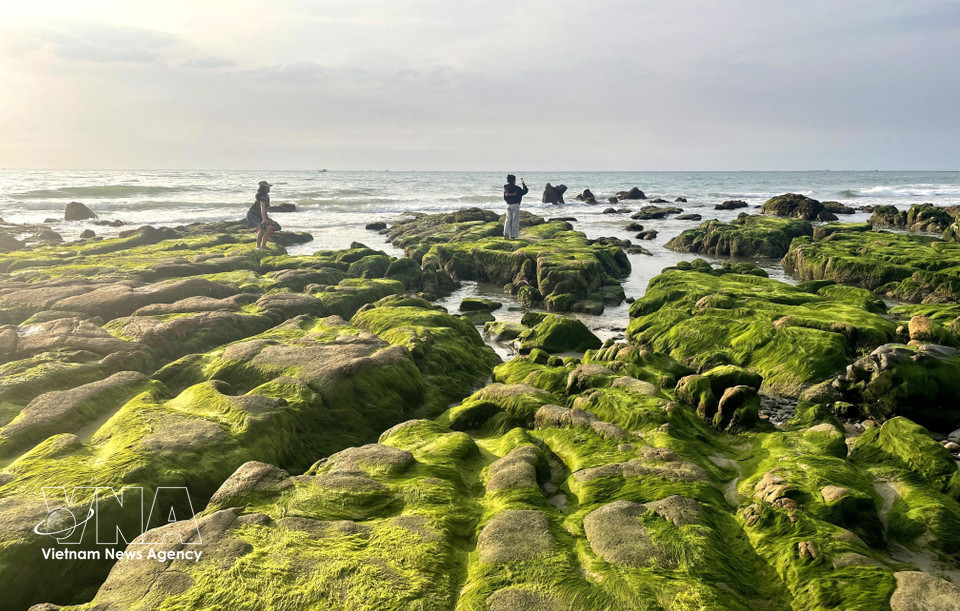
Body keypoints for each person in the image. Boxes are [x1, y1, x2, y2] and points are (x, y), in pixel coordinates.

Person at [246, 180, 277, 249]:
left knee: (268, 228)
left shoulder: (267, 196)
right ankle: (258, 246)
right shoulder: (260, 196)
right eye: (267, 188)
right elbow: (262, 208)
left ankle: (264, 245)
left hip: (260, 214)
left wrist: (267, 218)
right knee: (262, 228)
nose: (269, 189)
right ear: (263, 188)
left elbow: (265, 209)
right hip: (253, 214)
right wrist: (264, 219)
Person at [502, 174, 527, 239]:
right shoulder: (517, 188)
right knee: (515, 221)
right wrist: (523, 184)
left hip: (508, 205)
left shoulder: (506, 188)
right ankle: (513, 235)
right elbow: (525, 191)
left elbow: (504, 197)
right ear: (514, 181)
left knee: (508, 220)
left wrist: (508, 201)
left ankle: (506, 234)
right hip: (515, 205)